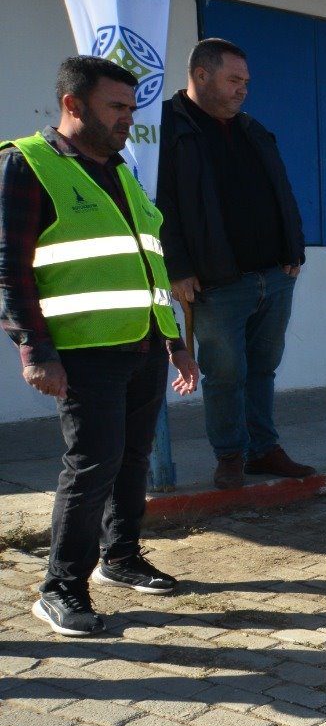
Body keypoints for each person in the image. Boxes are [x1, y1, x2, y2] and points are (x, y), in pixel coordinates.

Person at [1, 56, 200, 637]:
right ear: (72, 104)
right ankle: (60, 587)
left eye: (131, 109)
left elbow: (149, 263)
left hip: (139, 344)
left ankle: (121, 556)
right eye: (116, 107)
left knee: (132, 458)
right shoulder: (27, 165)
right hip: (82, 352)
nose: (127, 121)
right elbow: (11, 270)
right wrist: (33, 350)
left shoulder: (121, 169)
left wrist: (175, 342)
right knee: (92, 466)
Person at [158, 38, 308, 491]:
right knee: (225, 373)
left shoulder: (251, 129)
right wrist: (177, 267)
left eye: (246, 82)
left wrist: (293, 250)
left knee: (263, 367)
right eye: (234, 80)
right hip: (216, 281)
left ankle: (263, 449)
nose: (243, 90)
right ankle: (230, 455)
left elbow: (281, 190)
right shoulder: (167, 130)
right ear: (201, 76)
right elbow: (159, 205)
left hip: (273, 276)